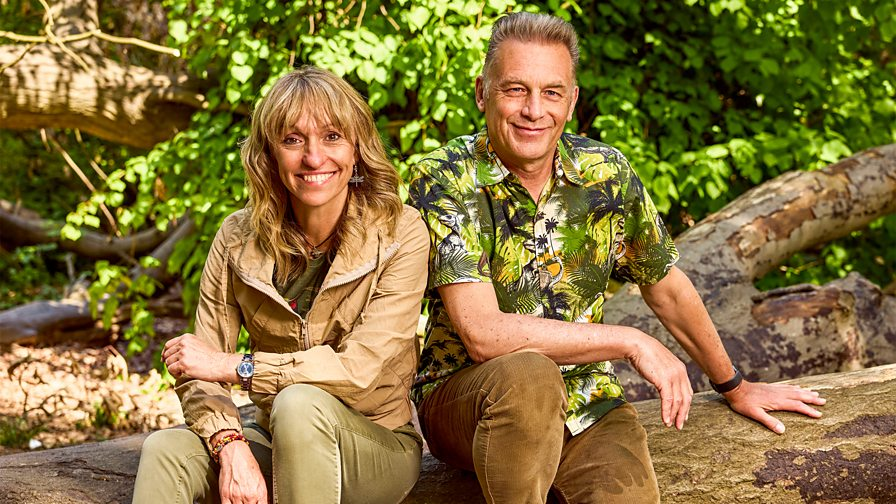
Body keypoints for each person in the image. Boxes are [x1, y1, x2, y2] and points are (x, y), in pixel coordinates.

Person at [408, 12, 826, 504]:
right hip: (469, 400)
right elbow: (482, 334)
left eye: (551, 92)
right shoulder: (444, 177)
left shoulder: (605, 174)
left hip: (588, 402)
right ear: (483, 93)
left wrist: (734, 385)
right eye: (515, 90)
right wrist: (630, 341)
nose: (533, 110)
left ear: (572, 101)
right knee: (529, 376)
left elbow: (665, 286)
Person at [132, 66, 429, 504]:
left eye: (332, 137)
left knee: (298, 403)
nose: (314, 158)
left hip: (376, 442)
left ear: (357, 148)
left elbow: (359, 371)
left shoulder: (400, 231)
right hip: (274, 435)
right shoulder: (236, 239)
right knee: (166, 450)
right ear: (269, 154)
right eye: (292, 140)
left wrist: (237, 367)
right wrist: (230, 445)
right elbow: (199, 371)